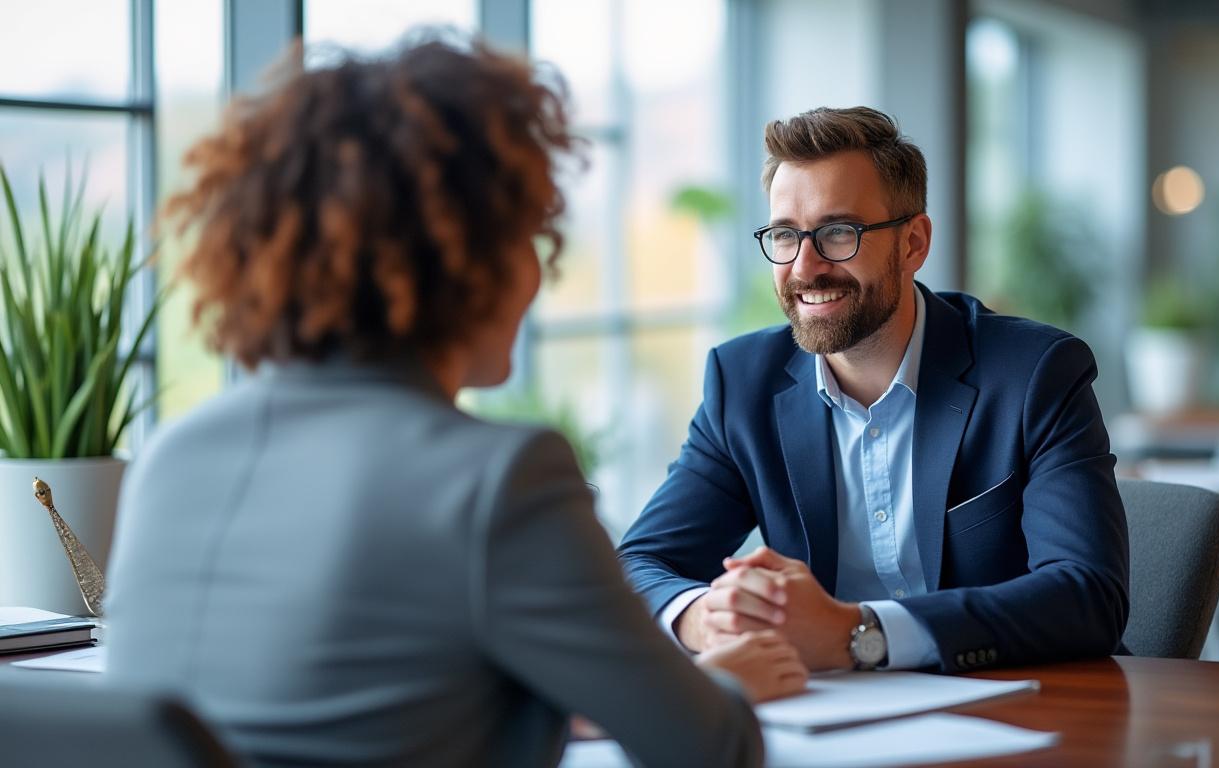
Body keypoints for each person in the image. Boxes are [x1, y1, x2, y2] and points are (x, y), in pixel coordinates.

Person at [104, 36, 805, 768]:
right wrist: (717, 688)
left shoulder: (172, 456)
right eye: (530, 235)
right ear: (470, 258)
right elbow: (711, 750)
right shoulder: (498, 478)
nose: (539, 273)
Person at [617, 106, 1129, 675]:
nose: (805, 267)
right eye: (785, 235)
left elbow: (1088, 596)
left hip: (1020, 709)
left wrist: (857, 634)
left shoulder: (1035, 373)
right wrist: (701, 617)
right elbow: (640, 562)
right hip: (824, 720)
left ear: (913, 244)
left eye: (838, 232)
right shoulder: (741, 384)